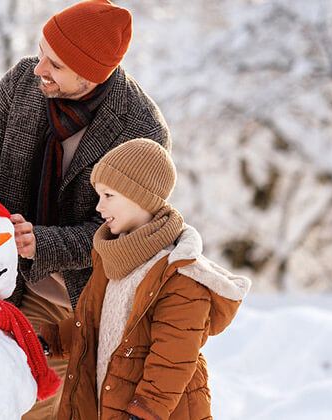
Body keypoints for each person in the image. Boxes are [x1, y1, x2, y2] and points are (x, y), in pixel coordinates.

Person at [0, 1, 170, 417]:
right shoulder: (22, 82)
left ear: (90, 74)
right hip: (2, 271)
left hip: (77, 296)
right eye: (41, 53)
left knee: (34, 398)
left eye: (54, 64)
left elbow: (123, 232)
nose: (39, 68)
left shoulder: (140, 131)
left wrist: (44, 242)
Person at [40, 140, 251, 419]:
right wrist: (49, 340)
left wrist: (145, 412)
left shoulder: (179, 273)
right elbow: (96, 327)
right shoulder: (114, 258)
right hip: (111, 404)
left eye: (108, 195)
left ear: (138, 195)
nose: (99, 207)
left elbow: (172, 358)